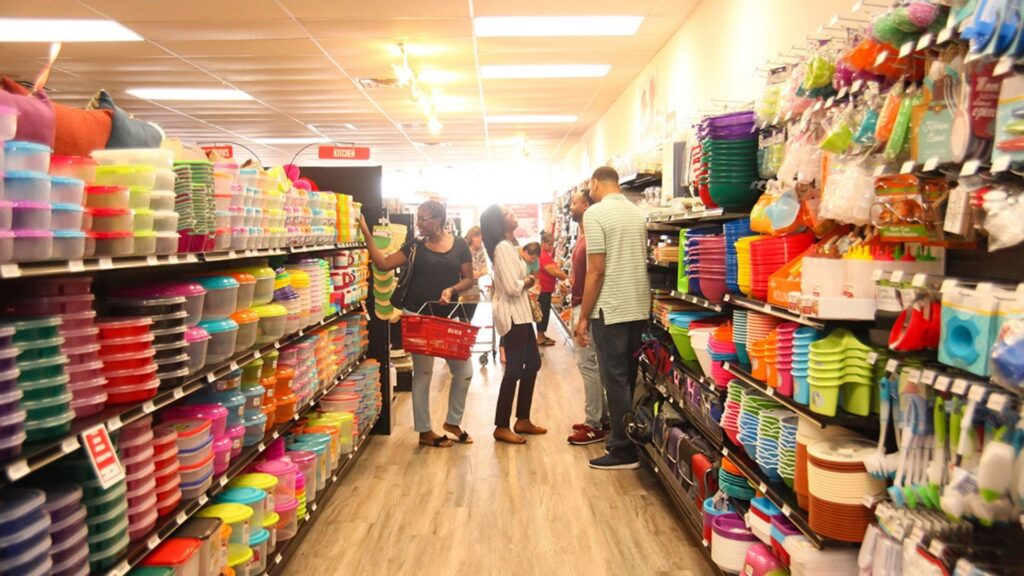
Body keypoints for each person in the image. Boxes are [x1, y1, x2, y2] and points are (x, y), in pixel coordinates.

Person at [360, 201, 476, 448]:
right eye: (418, 218)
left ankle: (452, 422)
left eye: (424, 218)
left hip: (446, 317)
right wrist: (365, 232)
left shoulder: (460, 246)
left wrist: (451, 289)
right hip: (417, 315)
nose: (419, 223)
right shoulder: (414, 246)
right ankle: (424, 431)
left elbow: (468, 279)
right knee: (422, 373)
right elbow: (383, 263)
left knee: (464, 371)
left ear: (439, 219)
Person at [575, 166, 651, 470]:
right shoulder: (636, 213)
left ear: (595, 184)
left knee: (614, 379)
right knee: (628, 378)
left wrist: (583, 317)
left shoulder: (594, 214)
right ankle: (625, 437)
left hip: (611, 308)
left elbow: (596, 269)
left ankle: (623, 452)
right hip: (637, 306)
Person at [480, 204, 546, 445]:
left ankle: (523, 419)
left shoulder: (510, 246)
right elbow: (511, 287)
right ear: (499, 222)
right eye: (507, 212)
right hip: (513, 316)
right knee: (515, 369)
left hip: (521, 315)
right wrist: (528, 279)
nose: (513, 214)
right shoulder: (503, 248)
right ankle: (501, 425)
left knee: (533, 363)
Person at [565, 190, 609, 446]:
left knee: (587, 364)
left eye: (574, 203)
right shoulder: (583, 233)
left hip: (587, 306)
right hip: (581, 302)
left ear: (587, 204)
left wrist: (584, 315)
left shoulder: (592, 231)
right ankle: (599, 417)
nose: (571, 207)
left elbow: (597, 271)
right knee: (589, 363)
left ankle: (594, 424)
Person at [536, 231, 569, 347]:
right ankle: (540, 337)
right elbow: (555, 272)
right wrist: (569, 279)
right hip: (543, 289)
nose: (552, 247)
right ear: (543, 243)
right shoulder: (543, 255)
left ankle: (542, 335)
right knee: (543, 313)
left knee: (544, 312)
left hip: (545, 289)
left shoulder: (544, 254)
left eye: (552, 244)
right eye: (549, 244)